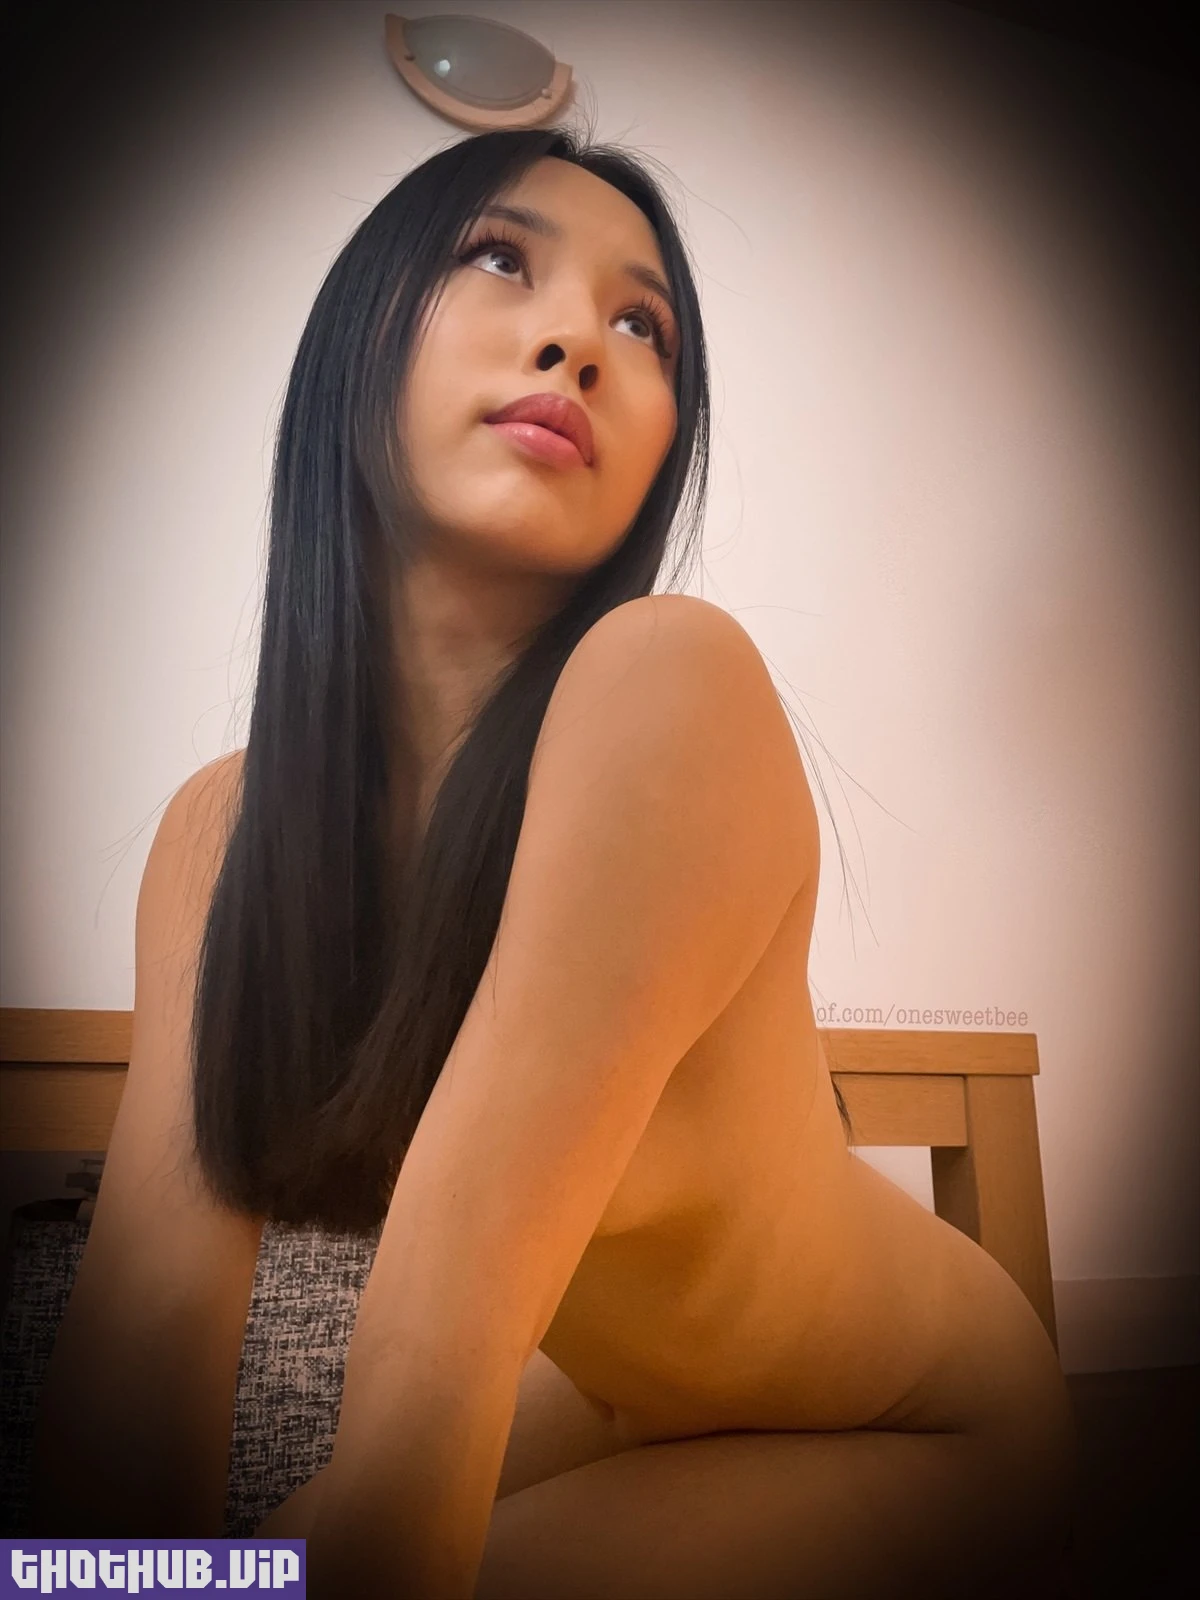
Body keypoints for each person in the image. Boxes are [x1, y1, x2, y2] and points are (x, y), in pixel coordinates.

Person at [30, 125, 1077, 1599]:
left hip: (929, 1422)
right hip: (626, 1406)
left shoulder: (672, 690)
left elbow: (418, 1445)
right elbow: (133, 1406)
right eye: (499, 258)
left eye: (642, 326)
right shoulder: (224, 841)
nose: (579, 338)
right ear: (359, 335)